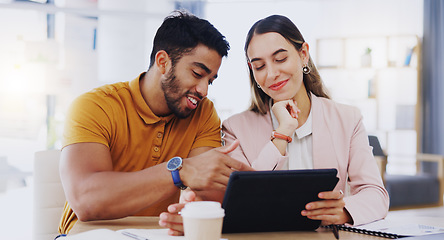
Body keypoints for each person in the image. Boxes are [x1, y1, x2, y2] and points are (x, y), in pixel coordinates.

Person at [159, 14, 389, 235]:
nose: (272, 74)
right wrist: (281, 133)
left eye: (280, 59)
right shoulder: (235, 128)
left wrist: (345, 210)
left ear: (303, 54)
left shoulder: (347, 119)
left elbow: (375, 194)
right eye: (259, 66)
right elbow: (245, 200)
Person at [58, 11, 254, 235]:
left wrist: (195, 207)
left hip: (158, 234)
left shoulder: (204, 113)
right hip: (89, 235)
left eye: (210, 80)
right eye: (197, 73)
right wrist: (179, 171)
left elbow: (204, 186)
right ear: (163, 62)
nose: (203, 90)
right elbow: (86, 201)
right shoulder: (94, 106)